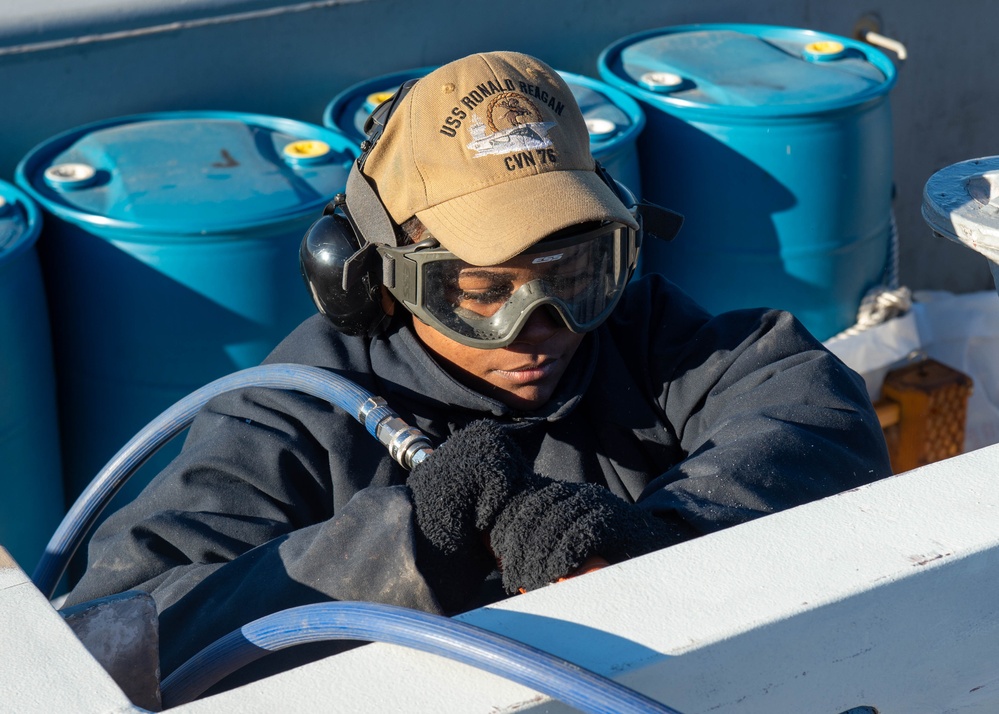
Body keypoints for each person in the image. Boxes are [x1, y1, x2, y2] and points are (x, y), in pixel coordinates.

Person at [65, 51, 892, 687]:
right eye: (481, 290)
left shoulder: (639, 334)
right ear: (368, 273)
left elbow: (810, 409)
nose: (538, 329)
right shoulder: (289, 416)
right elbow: (117, 633)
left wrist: (659, 540)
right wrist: (411, 542)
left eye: (573, 277)